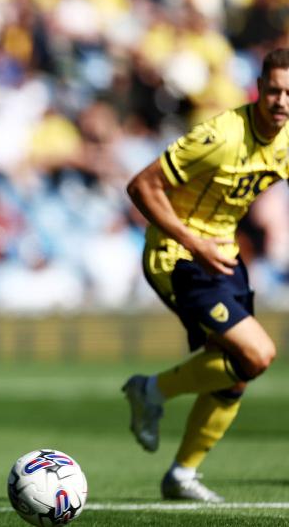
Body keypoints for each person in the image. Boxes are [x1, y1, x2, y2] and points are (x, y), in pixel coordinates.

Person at [122, 48, 286, 502]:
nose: (282, 101)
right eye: (274, 90)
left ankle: (182, 475)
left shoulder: (286, 139)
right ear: (259, 88)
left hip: (223, 256)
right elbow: (141, 186)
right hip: (177, 255)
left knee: (235, 373)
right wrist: (194, 243)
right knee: (258, 354)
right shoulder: (220, 136)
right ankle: (151, 391)